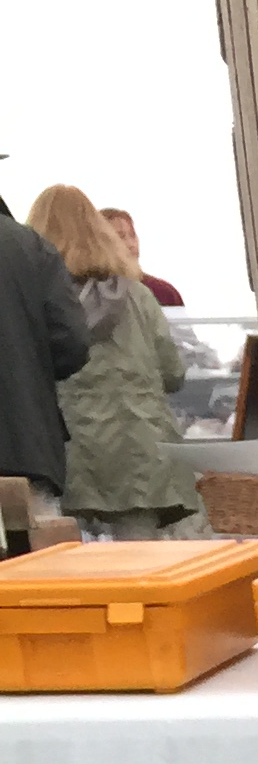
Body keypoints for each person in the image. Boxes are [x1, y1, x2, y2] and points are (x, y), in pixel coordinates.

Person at [25, 181, 202, 539]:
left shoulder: (39, 301)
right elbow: (173, 373)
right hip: (142, 450)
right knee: (142, 559)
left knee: (66, 558)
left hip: (69, 454)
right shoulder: (139, 295)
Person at [0, 192, 91, 524]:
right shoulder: (30, 246)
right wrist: (27, 376)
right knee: (37, 552)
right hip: (26, 447)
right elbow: (73, 341)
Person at [101, 209, 184, 309]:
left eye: (133, 235)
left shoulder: (164, 293)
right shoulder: (90, 294)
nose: (131, 244)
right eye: (120, 236)